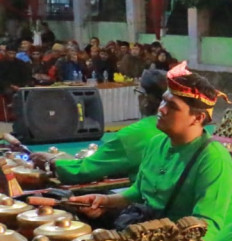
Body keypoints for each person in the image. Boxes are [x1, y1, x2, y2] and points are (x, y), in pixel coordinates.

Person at [72, 62, 232, 241]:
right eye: (163, 100)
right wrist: (105, 201)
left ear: (198, 118)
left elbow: (208, 228)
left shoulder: (213, 159)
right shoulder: (157, 143)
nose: (161, 109)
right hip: (154, 234)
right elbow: (139, 192)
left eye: (172, 106)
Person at [35, 69, 167, 184]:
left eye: (137, 92)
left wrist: (51, 161)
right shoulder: (184, 128)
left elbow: (85, 170)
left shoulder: (133, 135)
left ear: (145, 99)